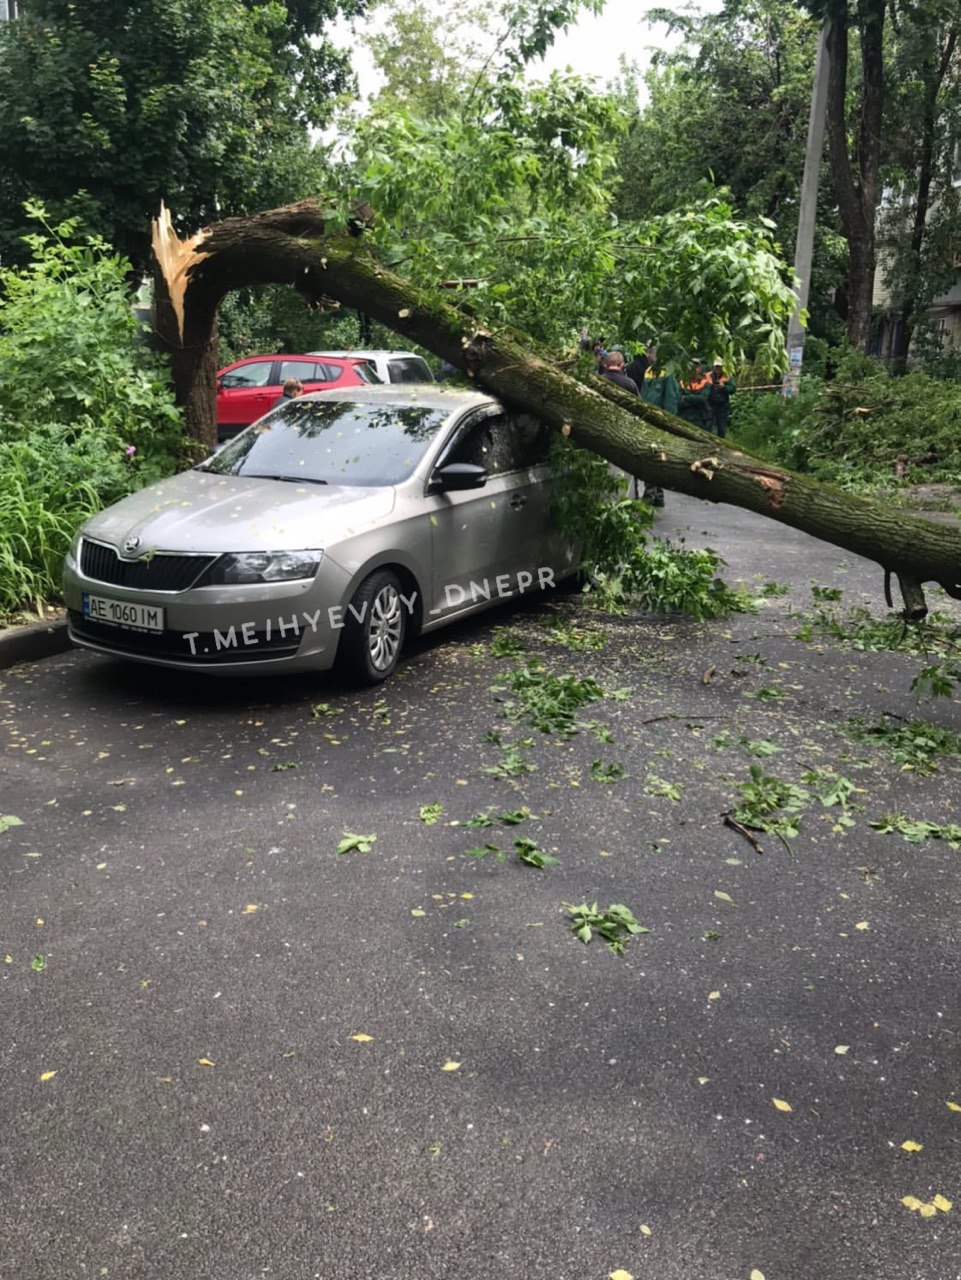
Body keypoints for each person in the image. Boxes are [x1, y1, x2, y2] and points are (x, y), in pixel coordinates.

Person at [678, 359, 713, 430]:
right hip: (685, 416)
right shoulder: (682, 382)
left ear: (700, 369)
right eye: (692, 367)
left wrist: (686, 398)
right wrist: (695, 399)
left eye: (697, 367)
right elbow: (678, 400)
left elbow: (702, 398)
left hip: (700, 418)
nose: (694, 370)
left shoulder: (705, 382)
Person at [707, 359, 736, 437]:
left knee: (721, 427)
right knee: (707, 426)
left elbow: (733, 389)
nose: (718, 369)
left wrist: (724, 387)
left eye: (719, 367)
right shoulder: (708, 375)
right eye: (716, 367)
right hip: (709, 405)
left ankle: (721, 443)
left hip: (722, 405)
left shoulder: (727, 376)